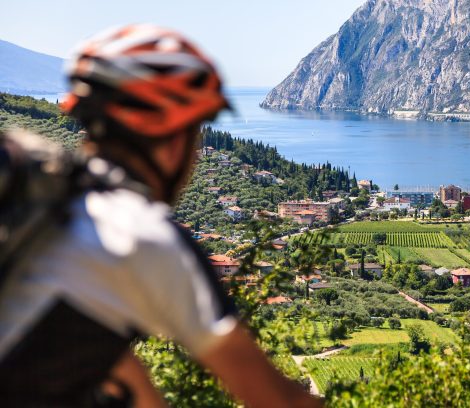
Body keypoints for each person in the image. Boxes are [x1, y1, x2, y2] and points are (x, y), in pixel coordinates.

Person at [0, 24, 321, 407]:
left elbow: (126, 378)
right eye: (195, 134)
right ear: (171, 138)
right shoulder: (144, 236)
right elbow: (275, 399)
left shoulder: (49, 213)